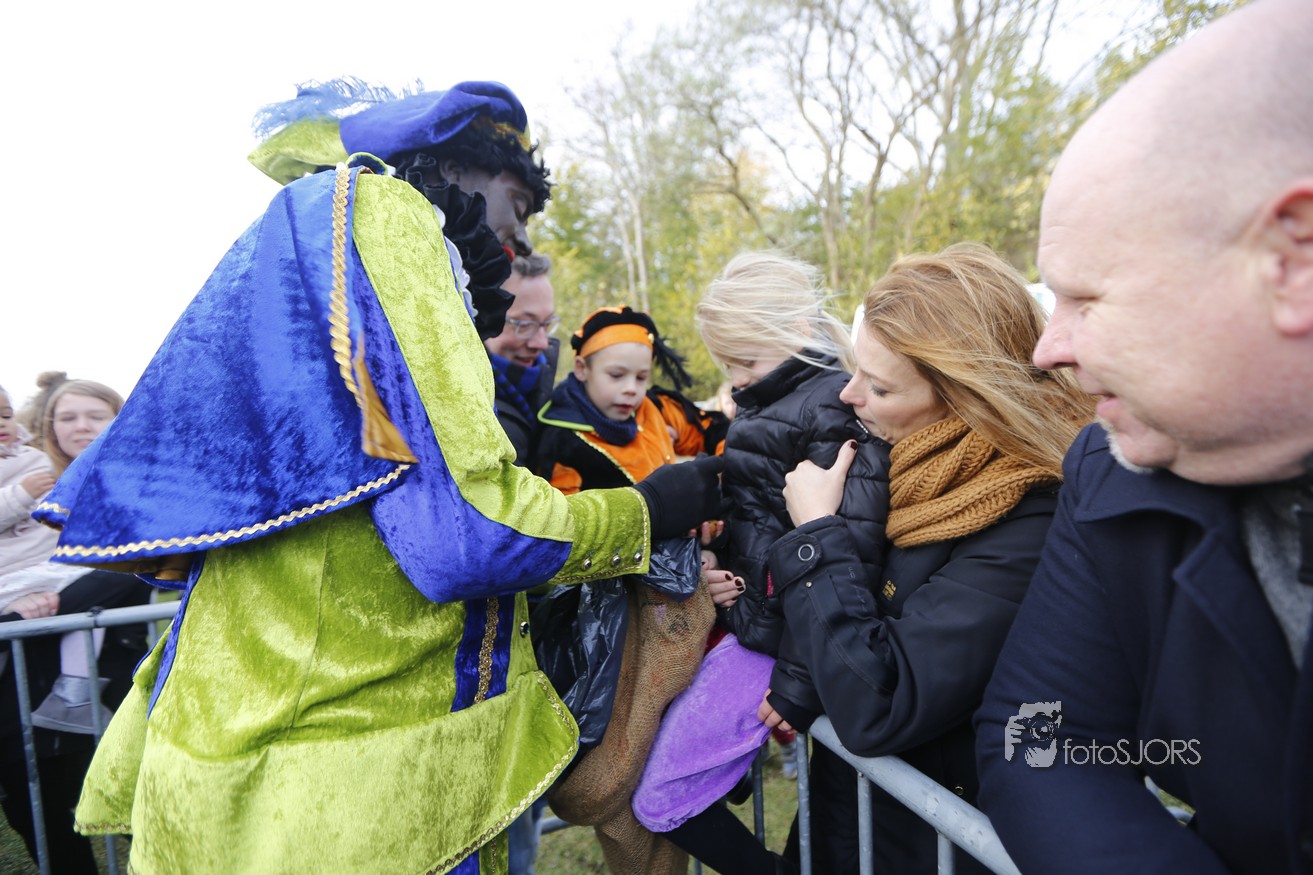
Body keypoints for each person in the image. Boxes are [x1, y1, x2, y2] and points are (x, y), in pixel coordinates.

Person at [40, 80, 722, 875]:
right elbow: (466, 535)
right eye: (514, 206)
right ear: (454, 166)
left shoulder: (304, 243)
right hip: (348, 796)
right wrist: (645, 510)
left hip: (226, 779)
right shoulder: (387, 215)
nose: (512, 243)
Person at [974, 3, 1313, 873]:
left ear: (1293, 260)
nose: (1048, 349)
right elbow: (1042, 739)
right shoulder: (1112, 467)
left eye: (1085, 297)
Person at [746, 244, 1090, 873]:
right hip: (853, 822)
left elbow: (879, 706)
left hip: (931, 843)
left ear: (967, 397)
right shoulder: (902, 470)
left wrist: (816, 533)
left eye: (879, 386)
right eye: (856, 371)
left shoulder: (1028, 519)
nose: (850, 394)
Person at [630, 251, 890, 875]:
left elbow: (847, 545)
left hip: (784, 644)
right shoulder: (762, 404)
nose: (737, 379)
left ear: (794, 331)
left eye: (745, 362)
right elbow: (762, 519)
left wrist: (801, 676)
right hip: (756, 622)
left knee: (659, 799)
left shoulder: (830, 408)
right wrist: (720, 563)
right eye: (728, 366)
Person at [532, 305, 727, 875]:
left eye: (641, 376)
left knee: (670, 740)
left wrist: (710, 508)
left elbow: (718, 437)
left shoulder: (659, 410)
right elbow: (565, 540)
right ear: (582, 368)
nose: (631, 390)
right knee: (628, 759)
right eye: (616, 376)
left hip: (679, 605)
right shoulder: (562, 437)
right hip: (611, 625)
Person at [0, 378, 150, 873]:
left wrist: (39, 608)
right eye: (67, 417)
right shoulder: (44, 483)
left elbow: (133, 564)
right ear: (50, 427)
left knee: (135, 798)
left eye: (95, 416)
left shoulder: (139, 480)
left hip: (112, 671)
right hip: (26, 679)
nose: (81, 427)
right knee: (36, 806)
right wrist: (15, 610)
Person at [486, 253, 560, 466]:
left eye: (547, 323)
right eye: (524, 325)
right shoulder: (464, 410)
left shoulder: (548, 396)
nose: (542, 343)